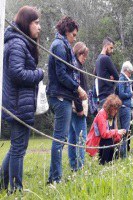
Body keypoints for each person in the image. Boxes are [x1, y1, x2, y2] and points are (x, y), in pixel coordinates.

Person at [0, 6, 44, 193]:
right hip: (17, 104)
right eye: (36, 22)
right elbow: (17, 73)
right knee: (18, 149)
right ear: (27, 24)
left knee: (18, 146)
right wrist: (38, 74)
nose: (39, 27)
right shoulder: (17, 43)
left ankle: (2, 184)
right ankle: (15, 190)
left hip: (21, 103)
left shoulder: (21, 42)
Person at [46, 16, 87, 184]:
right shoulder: (59, 46)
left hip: (64, 96)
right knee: (60, 139)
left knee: (62, 138)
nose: (75, 39)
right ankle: (55, 179)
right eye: (74, 35)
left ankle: (54, 177)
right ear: (66, 31)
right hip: (60, 97)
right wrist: (77, 88)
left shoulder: (62, 45)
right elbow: (62, 74)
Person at [85, 94, 126, 165]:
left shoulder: (111, 116)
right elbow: (104, 134)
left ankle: (111, 163)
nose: (116, 111)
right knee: (109, 140)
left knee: (115, 142)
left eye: (117, 109)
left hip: (103, 142)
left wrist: (120, 135)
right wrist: (117, 132)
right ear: (110, 107)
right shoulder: (101, 114)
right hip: (96, 143)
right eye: (115, 109)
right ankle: (103, 163)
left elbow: (114, 133)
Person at [68, 42, 89, 172]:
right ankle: (79, 167)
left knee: (72, 135)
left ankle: (73, 165)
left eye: (85, 54)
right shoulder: (76, 66)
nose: (84, 57)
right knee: (81, 137)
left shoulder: (76, 65)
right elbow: (75, 89)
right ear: (77, 53)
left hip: (73, 107)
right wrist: (80, 109)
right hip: (77, 107)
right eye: (82, 54)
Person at [117, 61, 133, 158]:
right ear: (125, 70)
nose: (130, 74)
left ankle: (124, 153)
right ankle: (123, 154)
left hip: (128, 107)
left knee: (127, 131)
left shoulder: (126, 79)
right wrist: (131, 94)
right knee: (125, 131)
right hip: (124, 107)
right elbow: (121, 94)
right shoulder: (122, 78)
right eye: (129, 72)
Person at [95, 37, 119, 108]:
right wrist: (111, 79)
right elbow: (117, 77)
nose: (112, 50)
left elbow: (96, 74)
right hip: (108, 97)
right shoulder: (106, 58)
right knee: (110, 119)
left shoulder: (97, 60)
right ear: (105, 46)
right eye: (111, 48)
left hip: (101, 97)